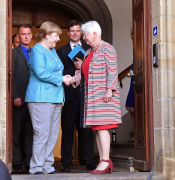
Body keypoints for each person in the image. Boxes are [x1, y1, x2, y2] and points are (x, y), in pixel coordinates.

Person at [67, 20, 122, 174]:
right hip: (92, 97)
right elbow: (82, 72)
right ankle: (103, 161)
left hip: (104, 96)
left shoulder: (108, 49)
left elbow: (112, 71)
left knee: (103, 127)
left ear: (95, 34)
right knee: (98, 128)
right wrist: (73, 79)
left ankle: (106, 161)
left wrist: (109, 90)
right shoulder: (88, 52)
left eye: (85, 35)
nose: (84, 38)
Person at [25, 21, 71, 175]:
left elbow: (57, 74)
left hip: (55, 98)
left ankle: (47, 166)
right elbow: (41, 73)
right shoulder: (37, 50)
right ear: (46, 35)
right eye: (56, 35)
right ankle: (36, 167)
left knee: (52, 134)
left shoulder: (52, 50)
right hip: (40, 98)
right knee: (42, 133)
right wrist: (63, 79)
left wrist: (61, 96)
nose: (58, 38)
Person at [56, 20, 95, 172]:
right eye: (72, 31)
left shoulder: (88, 48)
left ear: (81, 32)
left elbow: (94, 69)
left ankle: (89, 161)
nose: (74, 33)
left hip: (86, 96)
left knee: (86, 130)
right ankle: (66, 162)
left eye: (77, 31)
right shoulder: (61, 50)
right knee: (67, 131)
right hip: (69, 95)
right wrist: (74, 72)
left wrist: (83, 65)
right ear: (68, 33)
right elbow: (59, 71)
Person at [12, 25, 33, 174]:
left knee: (30, 133)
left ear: (32, 35)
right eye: (22, 34)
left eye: (28, 34)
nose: (25, 37)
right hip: (20, 98)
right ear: (18, 37)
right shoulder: (13, 53)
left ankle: (29, 162)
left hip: (34, 99)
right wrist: (15, 95)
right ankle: (17, 162)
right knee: (17, 133)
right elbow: (11, 76)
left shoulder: (37, 52)